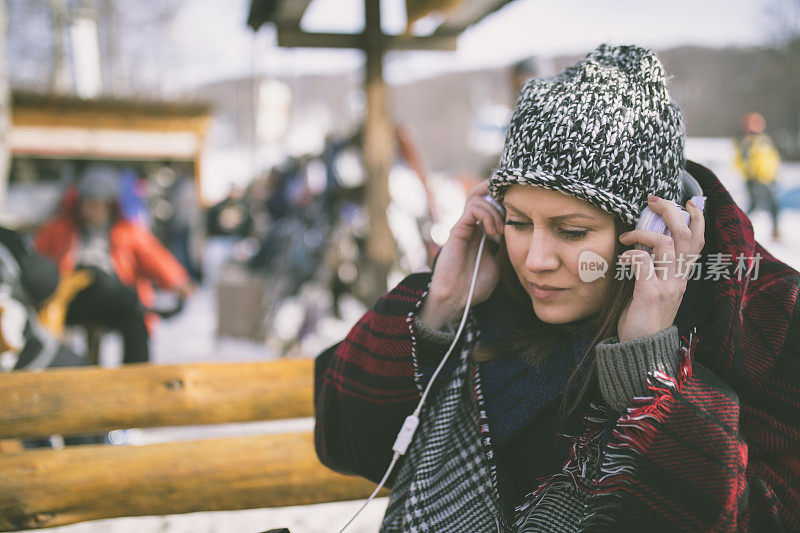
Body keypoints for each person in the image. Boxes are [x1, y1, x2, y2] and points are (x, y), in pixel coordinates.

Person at [314, 45, 800, 531]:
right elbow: (344, 441)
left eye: (572, 231)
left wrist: (650, 374)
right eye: (520, 223)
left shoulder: (763, 315)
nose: (536, 261)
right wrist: (437, 308)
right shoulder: (488, 292)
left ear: (652, 231)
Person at [35, 164, 194, 364]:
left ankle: (134, 380)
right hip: (69, 301)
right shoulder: (58, 229)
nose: (92, 210)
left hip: (113, 299)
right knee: (94, 275)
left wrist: (178, 282)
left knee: (135, 321)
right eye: (88, 203)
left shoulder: (126, 231)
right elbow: (35, 262)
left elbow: (154, 256)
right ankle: (141, 306)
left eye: (98, 204)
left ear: (110, 205)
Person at [734, 111, 782, 240]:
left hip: (768, 179)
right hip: (755, 180)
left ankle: (739, 228)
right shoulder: (746, 142)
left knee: (760, 206)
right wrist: (751, 175)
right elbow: (739, 161)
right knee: (763, 205)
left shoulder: (764, 140)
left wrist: (773, 175)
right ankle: (739, 229)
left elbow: (772, 158)